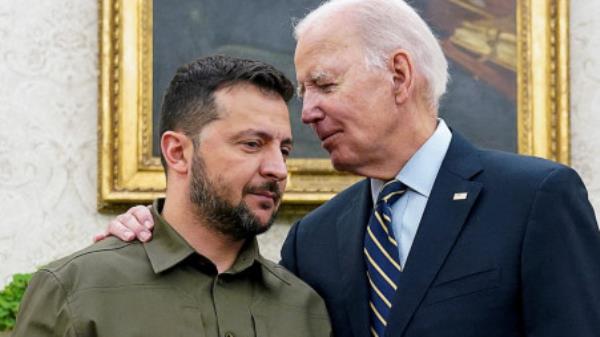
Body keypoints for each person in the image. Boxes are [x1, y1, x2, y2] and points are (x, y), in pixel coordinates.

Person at [100, 1, 600, 336]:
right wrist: (152, 230)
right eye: (305, 92)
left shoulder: (535, 199)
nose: (308, 110)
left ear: (399, 76)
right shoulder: (313, 239)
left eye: (324, 84)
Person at [13, 55, 331, 337]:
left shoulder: (304, 308)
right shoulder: (75, 290)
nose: (278, 169)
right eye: (251, 144)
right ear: (178, 152)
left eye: (285, 150)